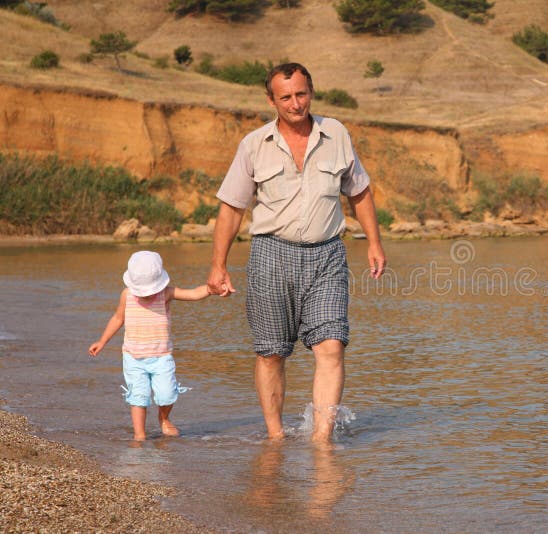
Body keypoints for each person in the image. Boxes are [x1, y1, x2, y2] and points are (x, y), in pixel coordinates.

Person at [207, 62, 386, 443]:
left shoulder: (336, 133)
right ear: (271, 99)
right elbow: (232, 208)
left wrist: (374, 242)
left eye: (301, 94)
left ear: (312, 92)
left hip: (327, 256)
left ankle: (322, 440)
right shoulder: (254, 145)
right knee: (272, 352)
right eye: (285, 97)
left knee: (331, 345)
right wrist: (218, 265)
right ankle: (275, 437)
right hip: (271, 256)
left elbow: (359, 192)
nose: (295, 103)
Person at [89, 250, 211, 441]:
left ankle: (164, 418)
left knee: (167, 393)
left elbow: (193, 293)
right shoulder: (127, 295)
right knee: (138, 397)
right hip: (133, 357)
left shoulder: (166, 293)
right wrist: (102, 340)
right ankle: (140, 434)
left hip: (162, 356)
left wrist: (211, 289)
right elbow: (118, 318)